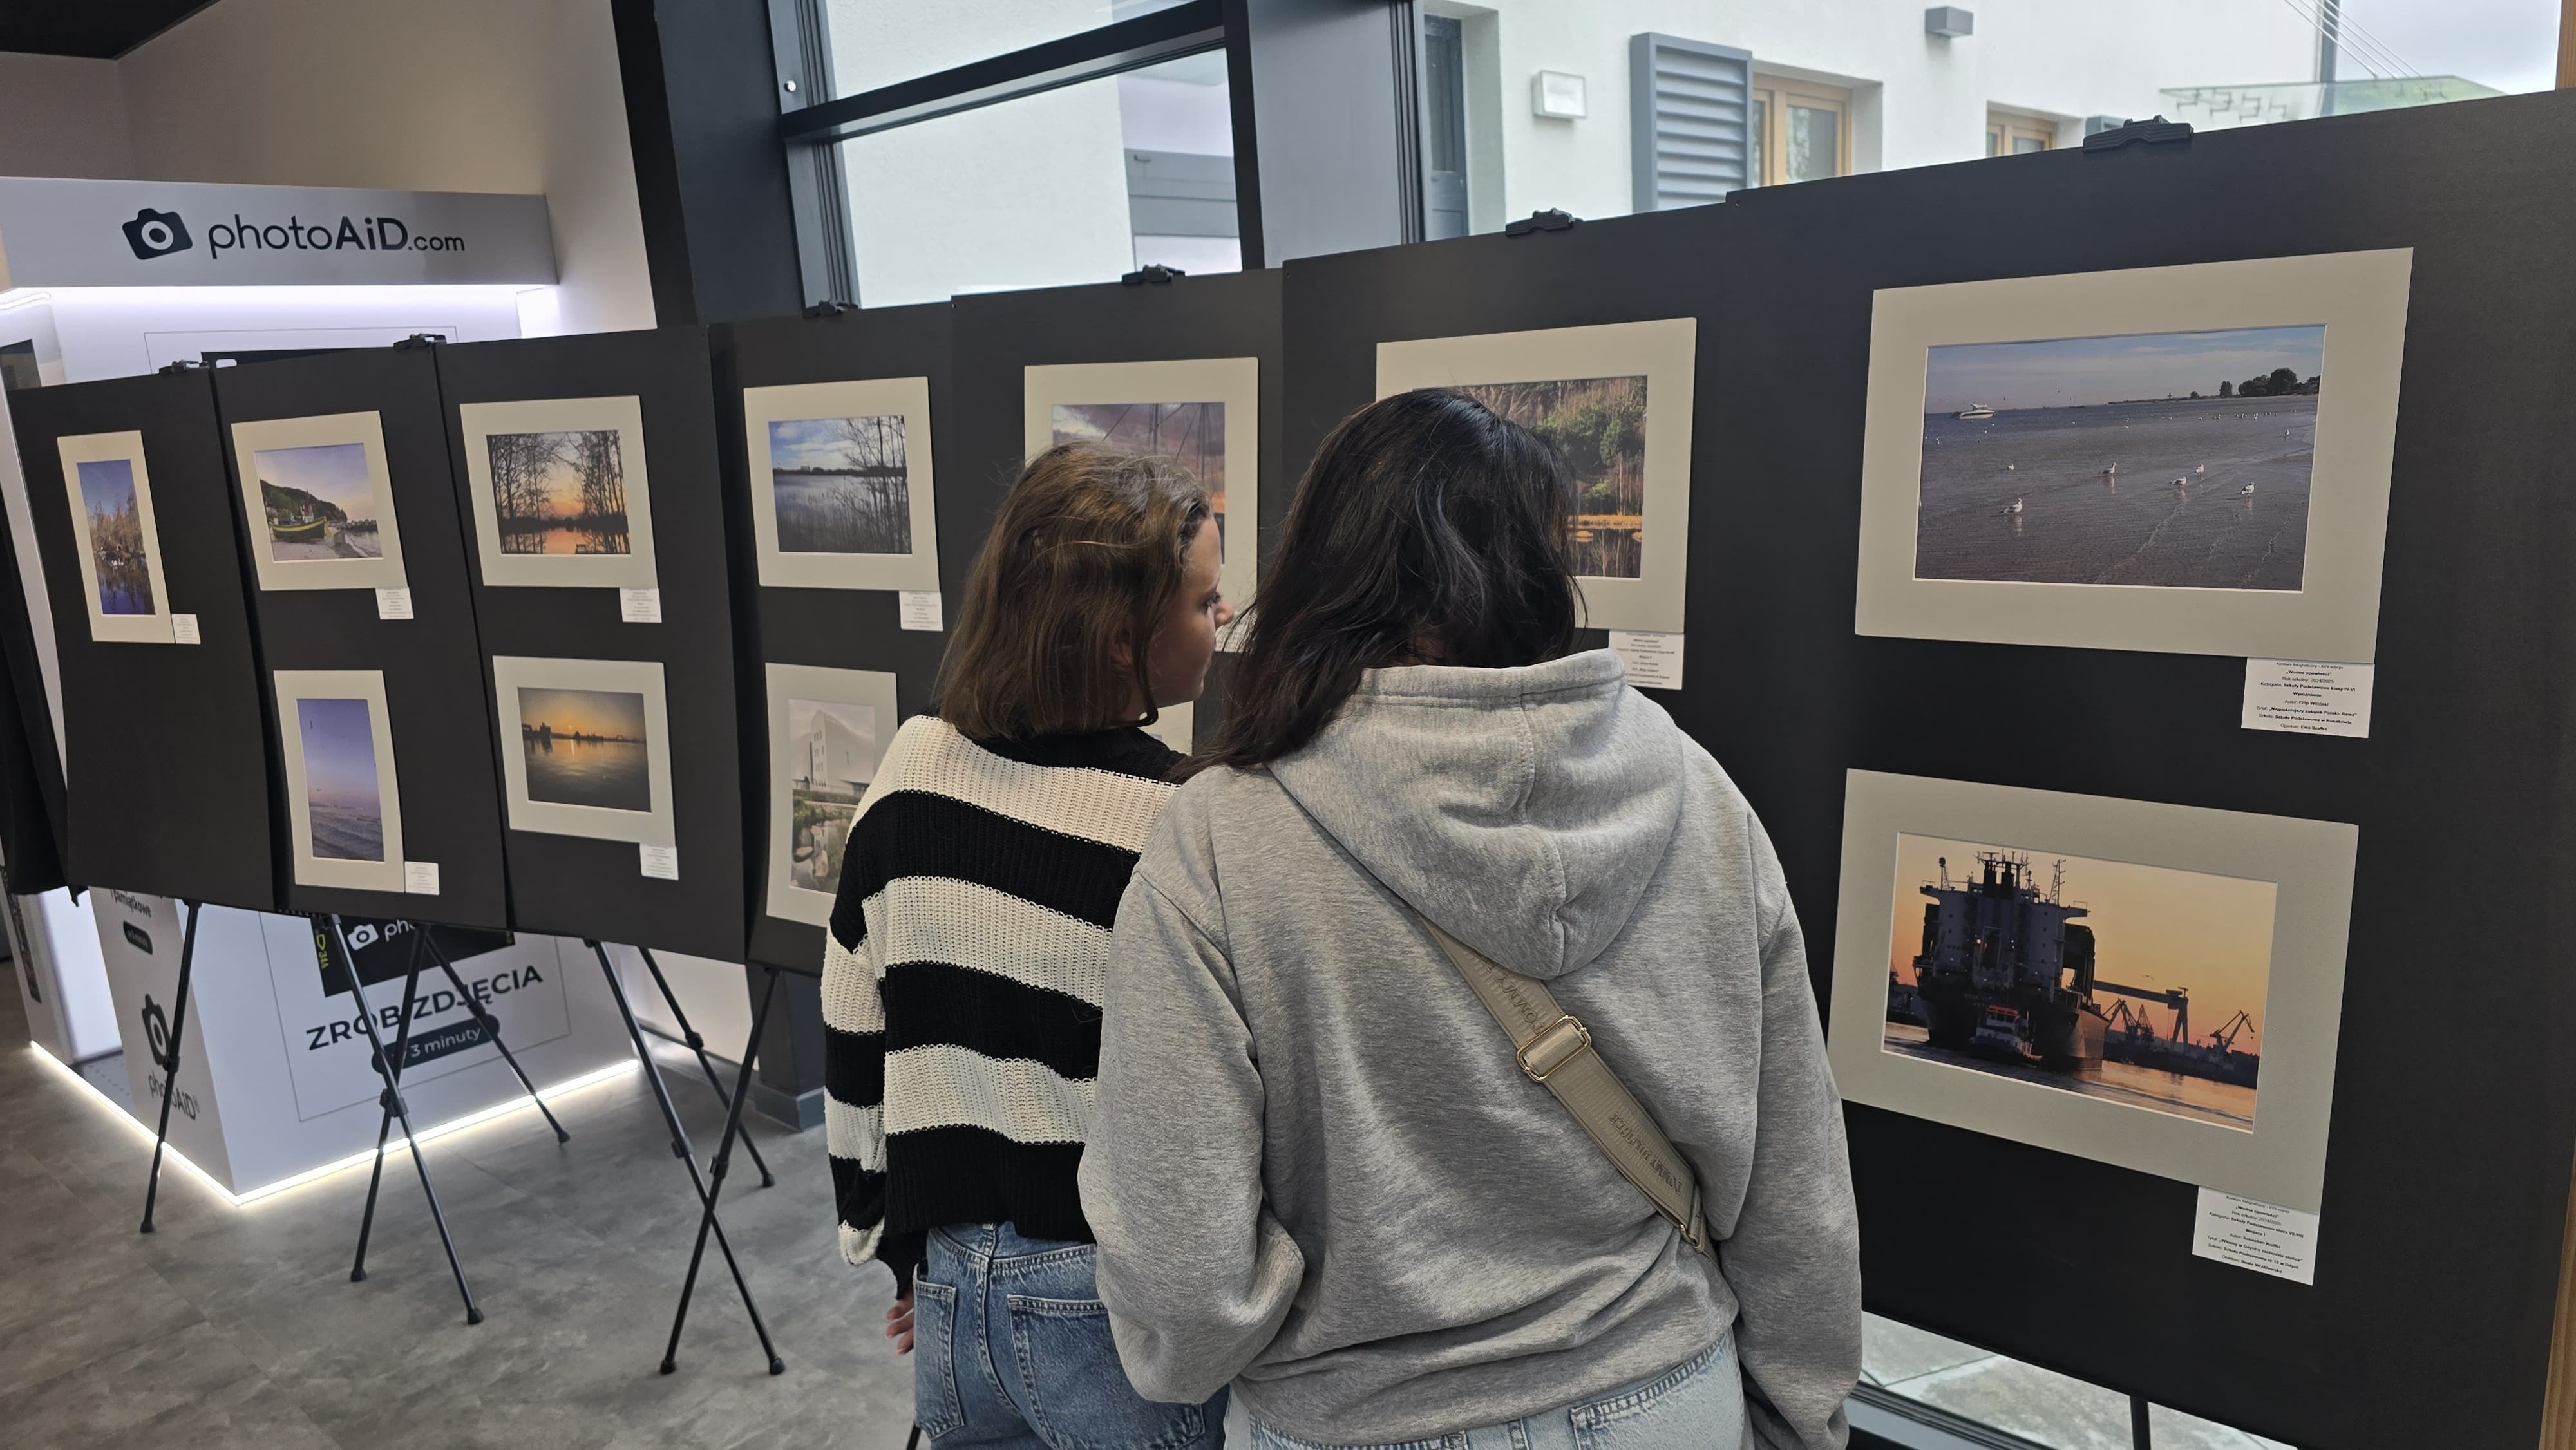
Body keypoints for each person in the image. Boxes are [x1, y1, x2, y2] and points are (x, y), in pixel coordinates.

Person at [1079, 390, 1861, 1450]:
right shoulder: (1699, 795)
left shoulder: (1222, 838)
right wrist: (1801, 1415)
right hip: (1666, 1393)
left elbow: (1181, 1274)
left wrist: (1254, 1340)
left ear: (1326, 566)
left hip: (1360, 1417)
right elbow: (1796, 1183)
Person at [822, 442, 1235, 1449]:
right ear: (1121, 640)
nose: (1223, 617)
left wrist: (895, 1244)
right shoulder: (1178, 819)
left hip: (951, 1290)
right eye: (1202, 600)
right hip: (1111, 1308)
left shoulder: (913, 765)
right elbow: (1206, 1112)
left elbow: (852, 1032)